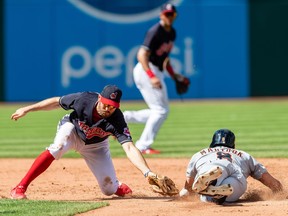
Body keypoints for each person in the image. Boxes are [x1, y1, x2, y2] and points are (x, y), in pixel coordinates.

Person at [10, 85, 165, 199]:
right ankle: (20, 187)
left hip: (96, 145)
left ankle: (115, 186)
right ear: (99, 98)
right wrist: (27, 109)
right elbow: (56, 102)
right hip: (73, 130)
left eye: (112, 107)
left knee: (108, 190)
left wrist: (147, 172)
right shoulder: (84, 99)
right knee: (57, 147)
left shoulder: (117, 118)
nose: (108, 109)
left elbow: (129, 147)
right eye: (105, 104)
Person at [123, 3, 189, 154]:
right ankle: (142, 145)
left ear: (175, 16)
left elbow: (165, 60)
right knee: (160, 110)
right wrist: (151, 76)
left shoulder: (172, 32)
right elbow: (141, 55)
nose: (169, 17)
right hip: (147, 70)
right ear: (161, 15)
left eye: (171, 14)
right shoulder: (155, 32)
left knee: (160, 111)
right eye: (166, 14)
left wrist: (174, 76)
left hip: (156, 70)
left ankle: (125, 117)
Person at [179, 129, 283, 204]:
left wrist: (184, 193)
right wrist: (280, 191)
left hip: (210, 165)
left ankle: (212, 184)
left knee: (205, 197)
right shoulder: (243, 155)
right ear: (233, 145)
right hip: (236, 174)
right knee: (230, 187)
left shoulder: (200, 154)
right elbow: (267, 179)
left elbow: (189, 186)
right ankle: (219, 192)